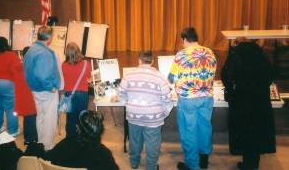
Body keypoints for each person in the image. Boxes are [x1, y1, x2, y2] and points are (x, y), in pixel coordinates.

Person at [221, 40, 276, 169]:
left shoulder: (235, 56)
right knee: (257, 132)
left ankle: (247, 164)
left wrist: (232, 88)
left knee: (244, 132)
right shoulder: (262, 56)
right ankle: (253, 163)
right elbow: (271, 76)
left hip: (241, 101)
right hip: (260, 101)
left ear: (237, 44)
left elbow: (226, 76)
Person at [168, 27, 217, 170]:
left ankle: (191, 164)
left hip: (188, 99)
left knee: (189, 131)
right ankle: (204, 159)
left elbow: (172, 78)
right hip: (207, 97)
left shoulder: (181, 55)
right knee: (205, 127)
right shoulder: (210, 52)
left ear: (184, 39)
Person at [118, 51, 173, 170]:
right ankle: (151, 167)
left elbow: (121, 95)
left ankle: (134, 163)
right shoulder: (160, 77)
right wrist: (164, 113)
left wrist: (129, 107)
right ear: (152, 62)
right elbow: (168, 99)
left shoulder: (128, 76)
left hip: (133, 116)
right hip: (154, 118)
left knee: (134, 140)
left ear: (139, 60)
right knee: (153, 144)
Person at [23, 25, 61, 150]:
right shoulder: (45, 52)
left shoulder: (31, 49)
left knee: (40, 117)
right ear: (49, 37)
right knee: (50, 118)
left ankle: (41, 142)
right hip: (46, 90)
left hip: (35, 89)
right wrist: (51, 87)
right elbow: (42, 75)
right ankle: (47, 145)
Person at [43, 110, 119, 170]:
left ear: (78, 128)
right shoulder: (104, 154)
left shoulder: (65, 144)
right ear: (99, 130)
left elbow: (48, 157)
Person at [61, 42, 91, 137]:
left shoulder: (64, 65)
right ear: (78, 51)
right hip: (83, 94)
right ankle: (82, 138)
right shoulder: (87, 64)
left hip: (69, 95)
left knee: (70, 118)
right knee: (82, 117)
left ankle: (70, 139)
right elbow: (89, 79)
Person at [13, 46, 38, 145]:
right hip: (30, 97)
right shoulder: (32, 68)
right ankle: (32, 139)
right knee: (31, 118)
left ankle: (27, 138)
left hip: (20, 98)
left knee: (27, 118)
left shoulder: (17, 66)